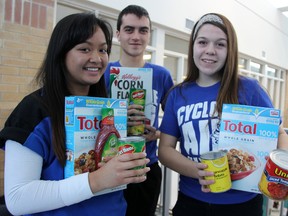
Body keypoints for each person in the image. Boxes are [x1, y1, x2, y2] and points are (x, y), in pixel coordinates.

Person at [0, 12, 150, 216]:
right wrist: (96, 180)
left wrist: (129, 165)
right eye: (85, 49)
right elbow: (18, 198)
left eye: (103, 50)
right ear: (61, 53)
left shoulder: (109, 109)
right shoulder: (34, 110)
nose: (97, 58)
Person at [158, 13, 288, 216]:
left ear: (230, 51)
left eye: (220, 44)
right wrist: (196, 170)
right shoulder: (178, 94)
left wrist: (279, 169)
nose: (210, 50)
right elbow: (165, 150)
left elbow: (279, 134)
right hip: (191, 201)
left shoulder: (249, 89)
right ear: (193, 46)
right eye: (202, 42)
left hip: (242, 205)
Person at [104, 5, 174, 216]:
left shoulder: (161, 75)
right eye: (129, 29)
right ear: (118, 34)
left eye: (143, 30)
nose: (136, 36)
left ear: (149, 35)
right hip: (107, 166)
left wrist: (159, 134)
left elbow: (175, 123)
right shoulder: (104, 72)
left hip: (145, 168)